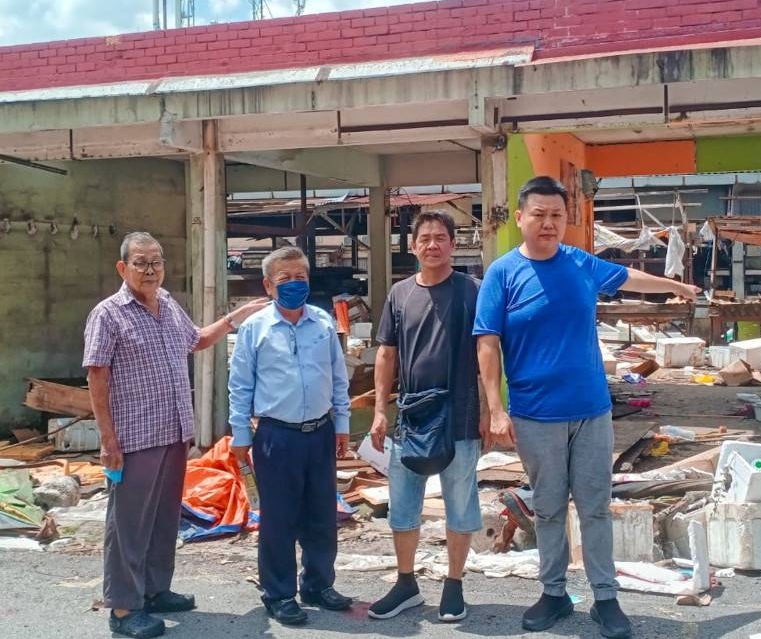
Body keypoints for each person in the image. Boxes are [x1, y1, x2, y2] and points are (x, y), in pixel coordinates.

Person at [474, 177, 700, 639]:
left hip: (592, 410)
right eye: (538, 213)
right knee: (551, 507)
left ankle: (605, 598)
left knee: (595, 506)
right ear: (520, 218)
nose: (548, 222)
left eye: (557, 215)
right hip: (535, 414)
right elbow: (488, 343)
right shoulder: (502, 273)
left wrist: (673, 285)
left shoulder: (579, 263)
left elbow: (628, 278)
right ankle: (553, 592)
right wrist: (496, 409)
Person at [84, 231, 267, 639]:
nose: (150, 270)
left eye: (156, 262)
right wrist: (107, 440)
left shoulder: (166, 304)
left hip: (172, 432)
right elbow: (97, 375)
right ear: (122, 268)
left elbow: (197, 339)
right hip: (133, 437)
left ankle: (154, 590)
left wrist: (236, 318)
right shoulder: (109, 313)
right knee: (128, 524)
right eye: (140, 263)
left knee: (164, 519)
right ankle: (123, 607)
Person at [228, 246, 353, 627]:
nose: (295, 284)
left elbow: (337, 377)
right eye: (285, 279)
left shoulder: (323, 323)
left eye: (301, 277)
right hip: (275, 437)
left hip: (319, 432)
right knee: (278, 519)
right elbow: (240, 386)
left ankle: (318, 584)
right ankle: (280, 593)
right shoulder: (255, 329)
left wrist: (343, 425)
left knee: (321, 515)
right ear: (268, 285)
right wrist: (239, 435)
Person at [368, 211, 483, 622]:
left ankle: (454, 585)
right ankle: (405, 583)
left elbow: (489, 352)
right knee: (403, 505)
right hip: (411, 417)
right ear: (414, 245)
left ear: (454, 244)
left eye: (440, 238)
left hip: (461, 417)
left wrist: (491, 409)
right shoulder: (400, 294)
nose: (432, 244)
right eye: (425, 238)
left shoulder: (474, 291)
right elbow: (386, 353)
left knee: (461, 504)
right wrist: (381, 410)